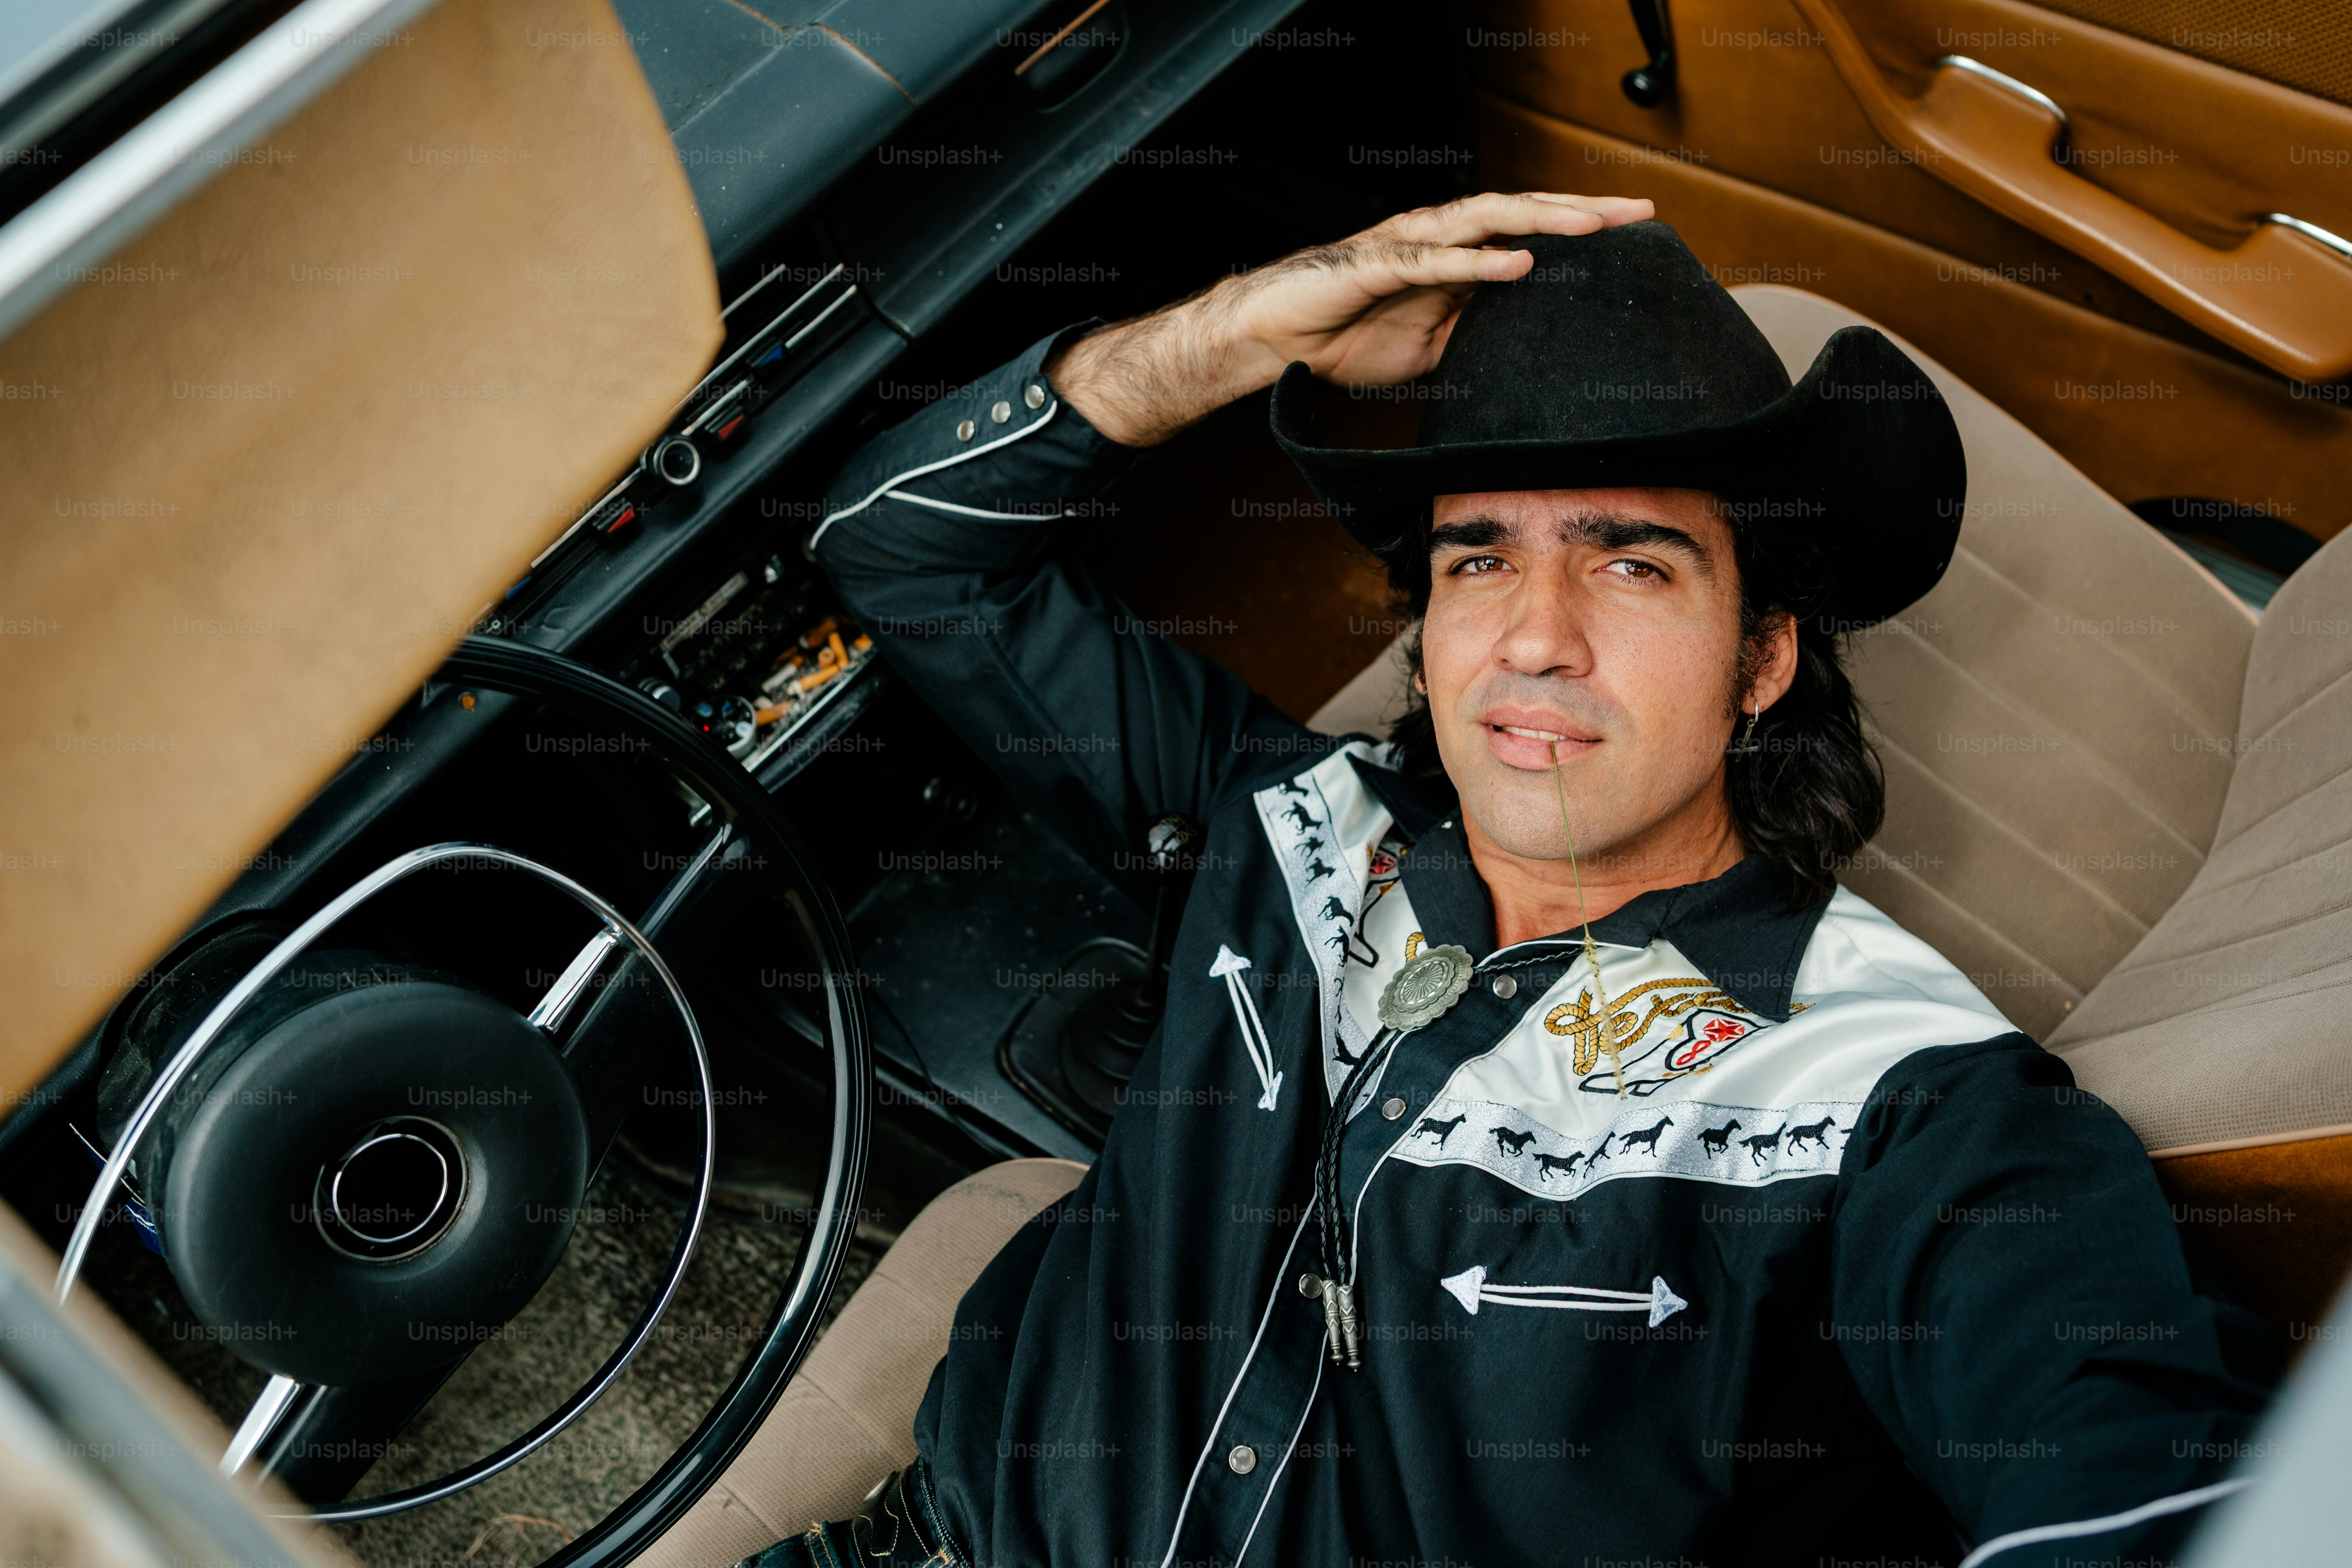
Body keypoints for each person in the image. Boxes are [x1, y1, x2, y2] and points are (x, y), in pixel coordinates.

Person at [773, 194, 2277, 1568]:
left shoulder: (1895, 1090)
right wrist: (1237, 329)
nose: (1536, 635)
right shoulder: (1284, 815)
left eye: (1634, 565)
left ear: (1765, 656)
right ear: (1425, 635)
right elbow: (902, 552)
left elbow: (2134, 1483)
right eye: (1479, 560)